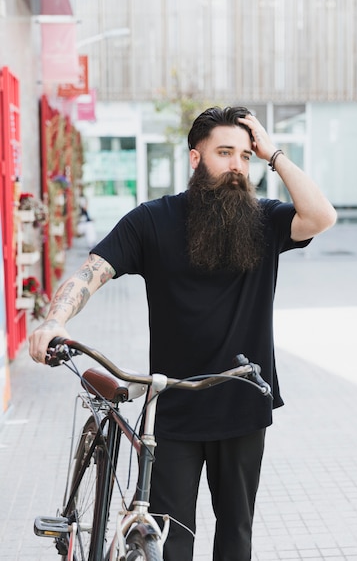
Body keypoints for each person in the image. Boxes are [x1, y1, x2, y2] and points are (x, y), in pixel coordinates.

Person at [29, 107, 337, 561]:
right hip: (171, 409)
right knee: (171, 541)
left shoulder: (265, 220)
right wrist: (55, 320)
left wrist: (274, 154)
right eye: (225, 152)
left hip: (242, 403)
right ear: (196, 159)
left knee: (236, 534)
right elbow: (93, 272)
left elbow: (321, 216)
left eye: (245, 156)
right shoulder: (152, 221)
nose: (237, 165)